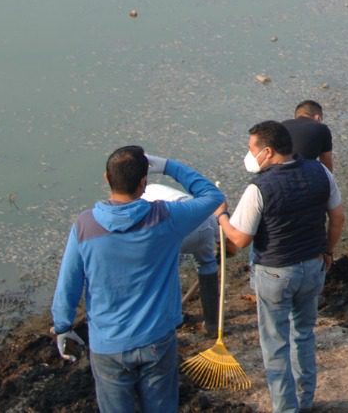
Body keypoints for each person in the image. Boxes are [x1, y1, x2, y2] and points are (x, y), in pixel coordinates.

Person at [51, 147, 224, 413]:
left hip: (108, 344)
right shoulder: (168, 218)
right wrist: (168, 166)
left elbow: (69, 283)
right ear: (144, 182)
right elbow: (213, 196)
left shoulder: (85, 226)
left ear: (107, 178)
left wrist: (63, 325)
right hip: (156, 339)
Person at [217, 121, 345, 413]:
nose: (249, 155)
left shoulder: (259, 188)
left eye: (251, 149)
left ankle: (286, 408)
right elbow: (337, 218)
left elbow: (240, 238)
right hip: (313, 266)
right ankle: (306, 399)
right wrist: (328, 251)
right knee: (304, 333)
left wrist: (221, 216)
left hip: (275, 272)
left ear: (268, 151)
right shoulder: (320, 172)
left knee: (275, 344)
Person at [139, 181, 221, 337]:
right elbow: (225, 243)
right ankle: (212, 324)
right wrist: (224, 252)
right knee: (207, 264)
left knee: (167, 270)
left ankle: (174, 317)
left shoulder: (143, 197)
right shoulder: (156, 190)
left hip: (176, 226)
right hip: (204, 222)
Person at [283, 100, 335, 171]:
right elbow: (326, 161)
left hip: (274, 173)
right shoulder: (321, 128)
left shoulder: (282, 125)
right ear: (318, 118)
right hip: (300, 174)